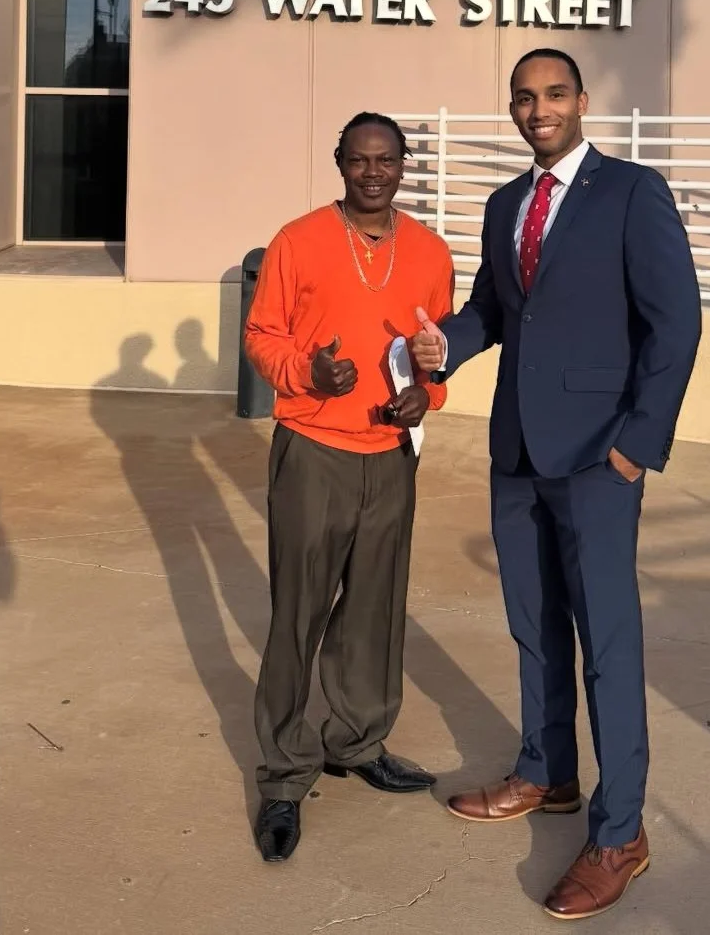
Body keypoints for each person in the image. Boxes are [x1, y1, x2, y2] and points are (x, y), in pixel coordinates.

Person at [409, 49, 701, 920]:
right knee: (533, 626)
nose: (538, 109)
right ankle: (547, 772)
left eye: (553, 94)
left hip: (597, 457)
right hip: (517, 452)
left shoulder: (632, 192)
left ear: (580, 101)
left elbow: (676, 322)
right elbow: (495, 310)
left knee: (607, 645)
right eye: (523, 98)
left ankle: (619, 832)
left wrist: (636, 445)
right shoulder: (506, 203)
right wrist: (446, 344)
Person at [245, 112, 455, 864]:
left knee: (374, 609)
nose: (373, 172)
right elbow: (262, 334)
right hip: (314, 451)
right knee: (297, 614)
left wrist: (426, 396)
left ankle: (357, 741)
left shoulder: (430, 251)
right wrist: (308, 372)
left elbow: (436, 354)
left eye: (386, 160)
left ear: (403, 165)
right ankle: (283, 773)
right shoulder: (297, 240)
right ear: (339, 162)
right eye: (359, 160)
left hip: (390, 454)